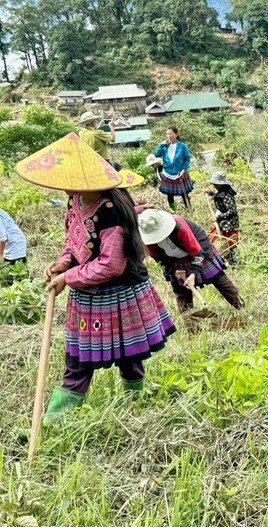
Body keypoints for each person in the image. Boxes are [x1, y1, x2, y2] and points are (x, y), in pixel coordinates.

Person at [14, 133, 176, 421]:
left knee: (130, 355)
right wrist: (63, 264)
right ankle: (53, 424)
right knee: (77, 362)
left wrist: (69, 278)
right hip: (86, 296)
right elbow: (72, 239)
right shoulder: (74, 201)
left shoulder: (111, 210)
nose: (66, 188)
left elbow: (111, 264)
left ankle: (133, 409)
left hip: (119, 293)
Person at [138, 209, 245, 313]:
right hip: (174, 259)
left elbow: (197, 251)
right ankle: (186, 315)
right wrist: (173, 271)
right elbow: (159, 259)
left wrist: (193, 273)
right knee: (180, 288)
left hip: (199, 250)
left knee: (218, 278)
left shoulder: (179, 228)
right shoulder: (148, 240)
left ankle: (239, 305)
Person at [154, 126, 193, 211]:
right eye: (167, 134)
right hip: (167, 173)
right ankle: (174, 211)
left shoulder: (182, 146)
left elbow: (187, 159)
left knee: (184, 194)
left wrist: (183, 170)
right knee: (169, 195)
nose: (169, 136)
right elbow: (156, 154)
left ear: (176, 134)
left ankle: (189, 210)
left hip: (179, 173)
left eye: (171, 134)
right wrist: (161, 144)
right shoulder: (165, 146)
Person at [205, 172, 240, 264]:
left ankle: (232, 262)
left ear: (220, 184)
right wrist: (211, 193)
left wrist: (219, 217)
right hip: (223, 221)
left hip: (228, 223)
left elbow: (232, 211)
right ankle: (224, 260)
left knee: (227, 242)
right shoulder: (222, 191)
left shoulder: (227, 195)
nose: (213, 185)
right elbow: (218, 196)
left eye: (215, 183)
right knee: (219, 240)